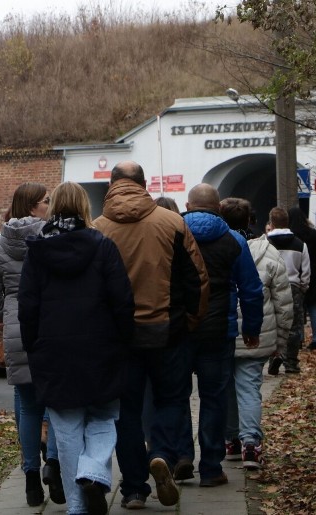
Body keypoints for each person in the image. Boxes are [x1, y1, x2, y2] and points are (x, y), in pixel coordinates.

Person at [93, 161, 209, 509]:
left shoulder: (98, 229)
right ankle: (161, 453)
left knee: (126, 411)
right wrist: (190, 320)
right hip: (168, 330)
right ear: (144, 184)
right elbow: (197, 279)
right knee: (171, 399)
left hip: (119, 338)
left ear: (111, 185)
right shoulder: (172, 223)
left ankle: (132, 489)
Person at [18, 181, 135, 515]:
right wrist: (125, 339)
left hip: (53, 351)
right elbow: (122, 300)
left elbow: (28, 306)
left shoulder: (38, 252)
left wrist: (32, 346)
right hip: (102, 349)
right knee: (102, 416)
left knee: (66, 429)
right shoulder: (103, 247)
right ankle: (94, 472)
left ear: (54, 208)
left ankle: (77, 506)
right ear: (85, 207)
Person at [0, 182, 64, 507]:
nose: (49, 206)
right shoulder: (53, 238)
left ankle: (31, 476)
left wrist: (10, 311)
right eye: (45, 201)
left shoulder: (0, 243)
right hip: (52, 325)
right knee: (57, 401)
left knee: (28, 405)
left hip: (17, 327)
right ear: (32, 206)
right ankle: (54, 466)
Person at [177, 184, 263, 487]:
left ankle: (182, 455)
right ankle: (211, 467)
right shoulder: (235, 240)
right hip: (218, 331)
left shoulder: (173, 235)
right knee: (213, 399)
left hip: (179, 330)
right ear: (218, 208)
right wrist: (251, 329)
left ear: (187, 205)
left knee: (177, 396)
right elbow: (251, 291)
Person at [220, 198, 293, 470]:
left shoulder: (215, 248)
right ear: (252, 221)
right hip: (257, 336)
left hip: (223, 332)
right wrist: (281, 342)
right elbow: (283, 304)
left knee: (226, 388)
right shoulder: (269, 253)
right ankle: (251, 443)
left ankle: (231, 441)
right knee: (249, 388)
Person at [265, 207, 310, 375]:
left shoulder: (265, 244)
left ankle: (275, 355)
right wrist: (303, 286)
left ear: (271, 223)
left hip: (271, 286)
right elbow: (305, 270)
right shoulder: (300, 244)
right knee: (294, 326)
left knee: (273, 323)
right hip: (293, 287)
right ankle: (291, 362)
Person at [288, 206, 316, 350]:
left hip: (295, 275)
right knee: (313, 308)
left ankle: (299, 338)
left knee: (298, 311)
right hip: (313, 275)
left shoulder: (291, 236)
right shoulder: (313, 234)